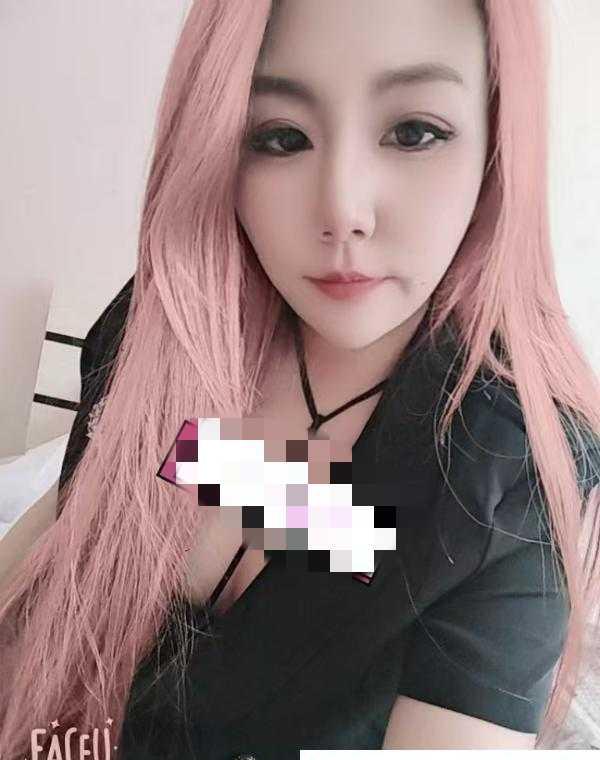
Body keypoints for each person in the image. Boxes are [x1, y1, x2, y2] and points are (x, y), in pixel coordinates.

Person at [1, 0, 599, 757]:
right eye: (281, 136)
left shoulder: (505, 476)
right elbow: (83, 513)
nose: (343, 210)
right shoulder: (168, 327)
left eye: (414, 132)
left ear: (496, 143)